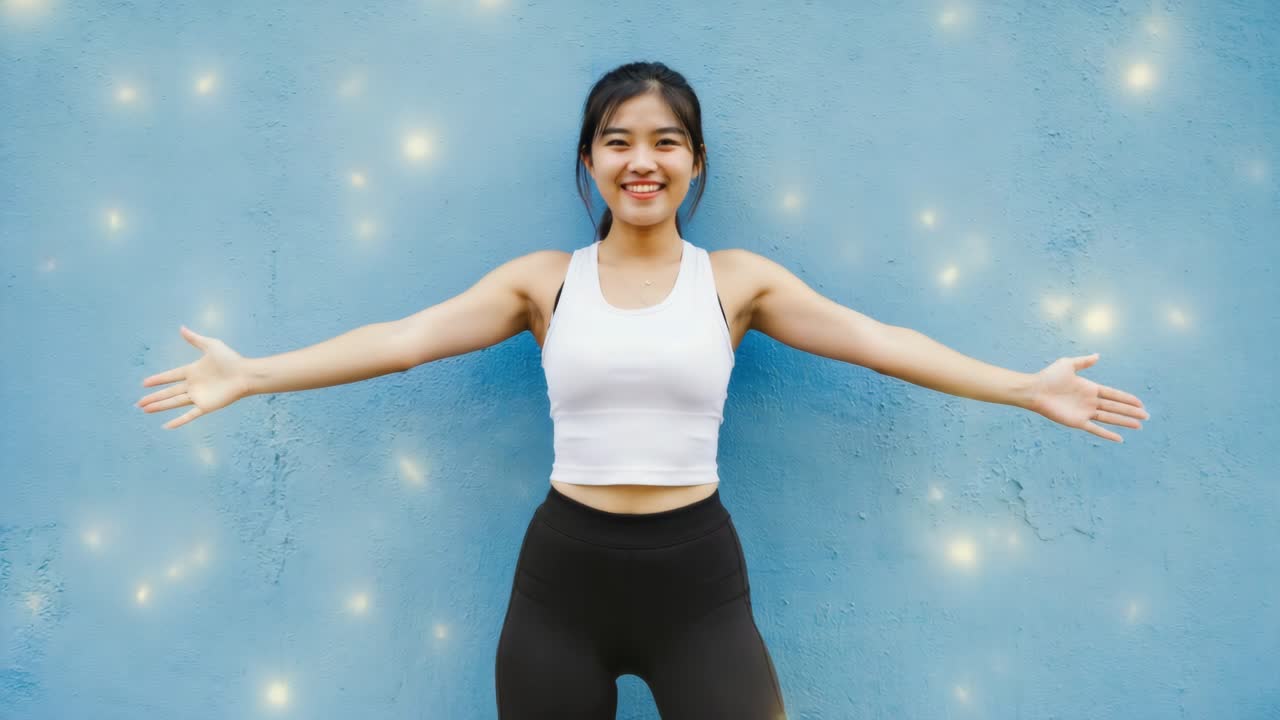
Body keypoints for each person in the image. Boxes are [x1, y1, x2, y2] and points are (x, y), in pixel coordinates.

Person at [136, 61, 1150, 719]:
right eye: (618, 139)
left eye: (665, 141)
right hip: (561, 584)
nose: (641, 159)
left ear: (694, 164)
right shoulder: (542, 282)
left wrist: (1023, 387)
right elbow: (402, 342)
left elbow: (878, 342)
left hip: (695, 584)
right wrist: (252, 373)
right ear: (589, 162)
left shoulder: (736, 281)